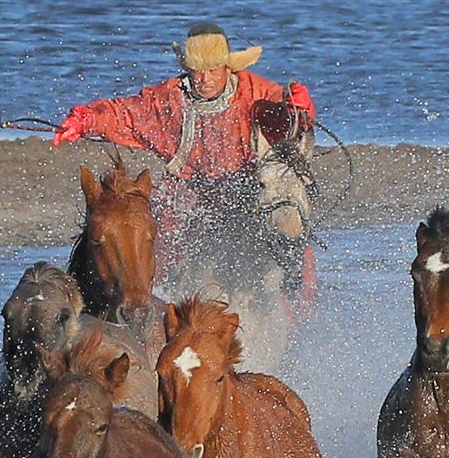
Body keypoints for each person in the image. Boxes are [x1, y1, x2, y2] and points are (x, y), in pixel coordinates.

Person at [53, 21, 317, 293]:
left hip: (251, 193)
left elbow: (289, 120)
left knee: (293, 246)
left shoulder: (255, 92)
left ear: (228, 67)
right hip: (191, 200)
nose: (203, 79)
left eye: (212, 70)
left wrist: (299, 106)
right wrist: (85, 120)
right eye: (196, 71)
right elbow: (127, 113)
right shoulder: (169, 98)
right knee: (156, 256)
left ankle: (293, 299)